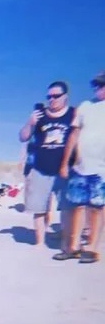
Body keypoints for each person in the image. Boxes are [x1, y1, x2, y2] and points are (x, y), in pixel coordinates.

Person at [56, 71, 105, 264]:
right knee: (74, 207)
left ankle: (91, 249)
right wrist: (65, 164)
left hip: (101, 169)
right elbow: (73, 135)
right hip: (80, 166)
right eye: (96, 85)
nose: (98, 89)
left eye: (101, 86)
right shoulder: (85, 106)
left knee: (96, 208)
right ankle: (72, 247)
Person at [18, 82, 75, 247]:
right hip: (40, 168)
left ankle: (65, 241)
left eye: (56, 96)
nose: (52, 99)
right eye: (49, 96)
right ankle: (40, 242)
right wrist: (30, 123)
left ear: (65, 97)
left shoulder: (73, 114)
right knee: (39, 208)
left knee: (66, 207)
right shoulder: (40, 115)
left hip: (65, 168)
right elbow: (23, 137)